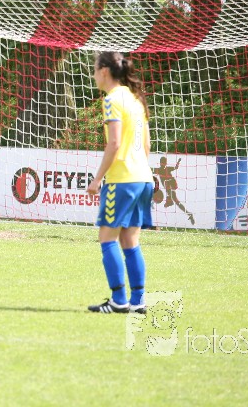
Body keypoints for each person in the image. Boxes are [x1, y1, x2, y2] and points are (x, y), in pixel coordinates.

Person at [86, 51, 153, 314]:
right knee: (130, 241)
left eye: (94, 69)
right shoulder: (136, 100)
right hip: (143, 178)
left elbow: (113, 143)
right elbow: (146, 145)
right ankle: (138, 301)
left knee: (107, 238)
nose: (94, 75)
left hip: (122, 180)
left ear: (104, 71)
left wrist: (97, 178)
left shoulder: (112, 100)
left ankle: (118, 300)